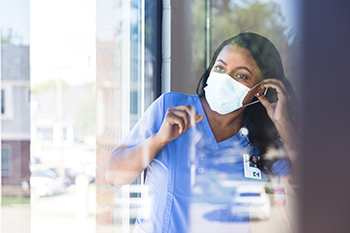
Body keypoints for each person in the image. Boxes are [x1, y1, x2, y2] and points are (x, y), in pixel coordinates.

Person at [106, 32, 298, 232]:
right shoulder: (170, 107)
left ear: (261, 89)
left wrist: (283, 125)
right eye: (220, 68)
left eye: (241, 75)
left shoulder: (264, 140)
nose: (225, 79)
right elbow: (114, 176)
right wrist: (158, 141)